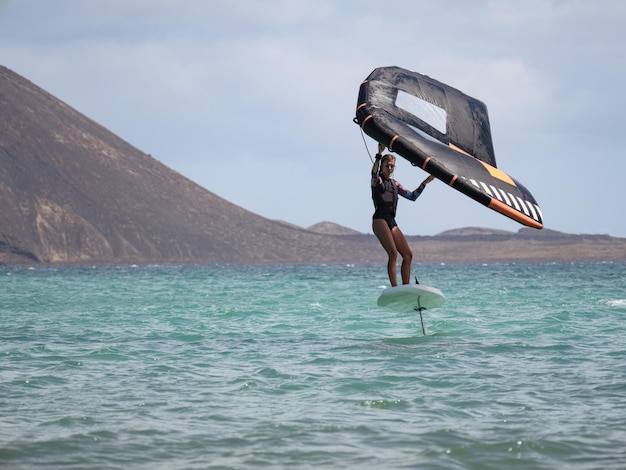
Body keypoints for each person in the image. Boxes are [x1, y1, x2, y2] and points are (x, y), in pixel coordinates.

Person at [371, 143, 434, 286]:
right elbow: (373, 173)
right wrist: (378, 155)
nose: (390, 168)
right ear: (382, 166)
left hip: (391, 221)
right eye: (387, 166)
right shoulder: (378, 181)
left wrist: (425, 182)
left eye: (392, 166)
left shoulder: (395, 184)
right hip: (379, 219)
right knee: (393, 253)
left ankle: (405, 288)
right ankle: (395, 288)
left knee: (408, 255)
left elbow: (412, 196)